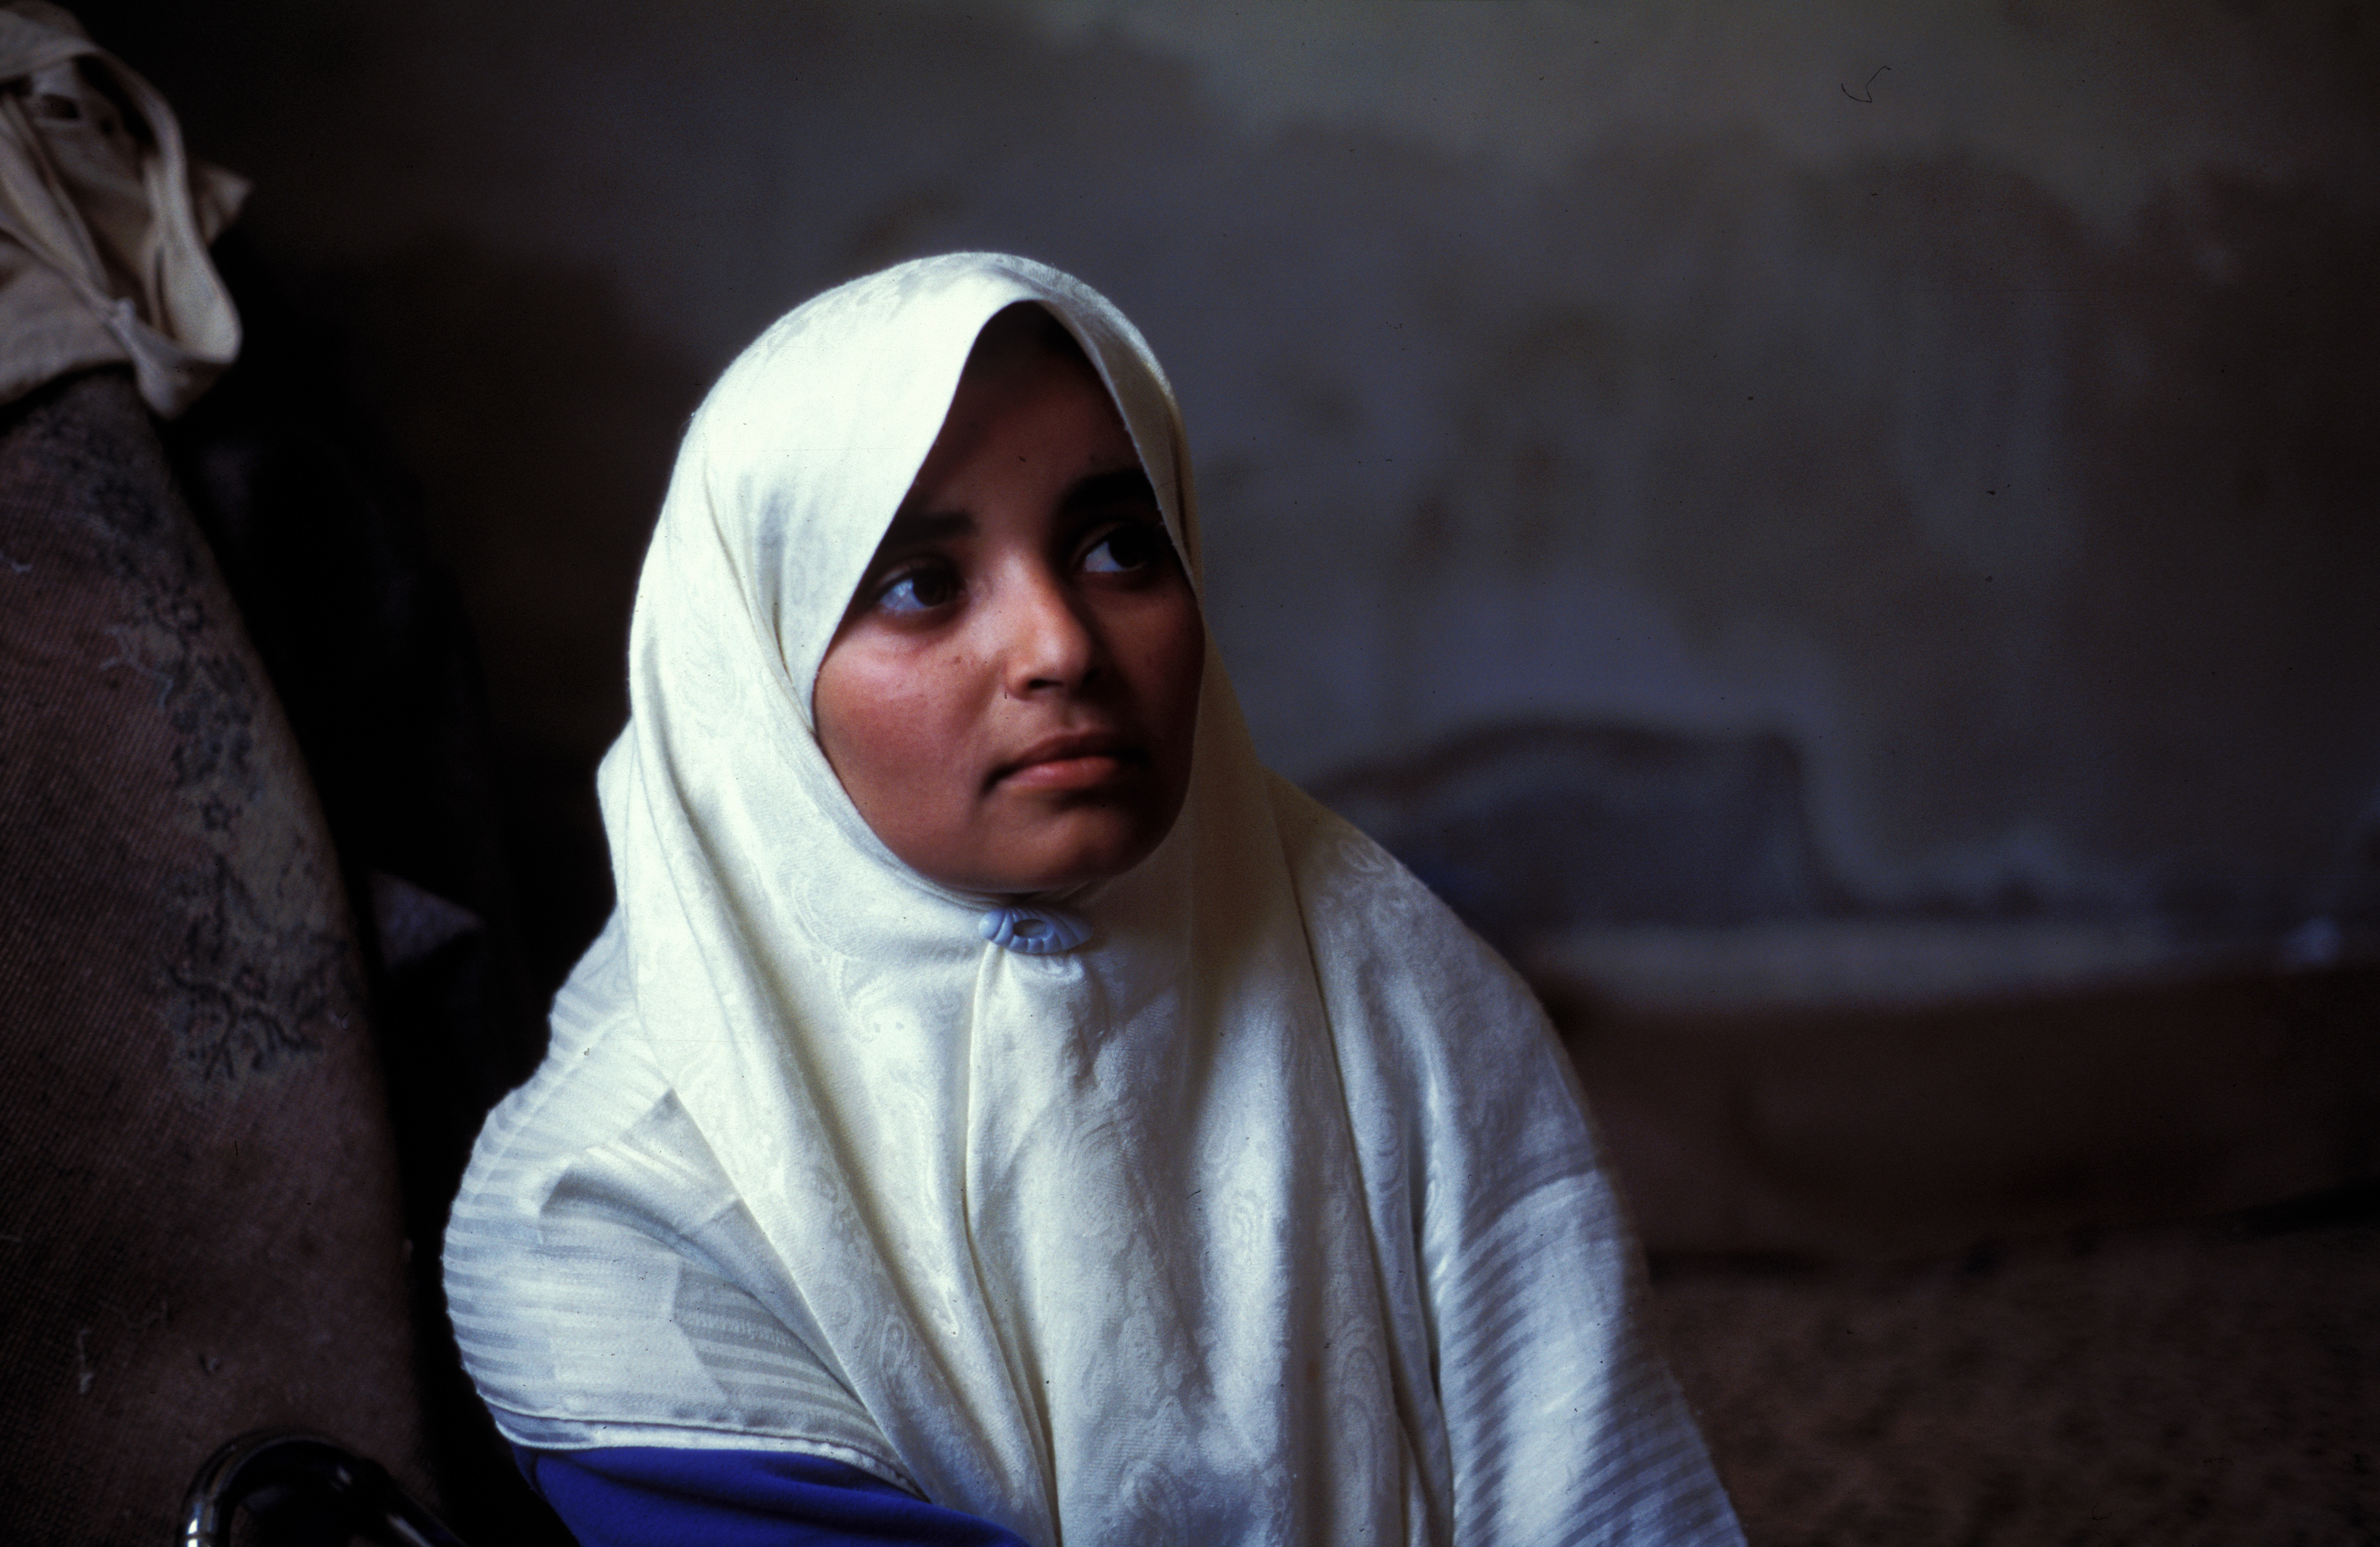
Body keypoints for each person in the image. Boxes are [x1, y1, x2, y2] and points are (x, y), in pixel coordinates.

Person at [443, 252, 1743, 1546]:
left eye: (1122, 547)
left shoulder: (1392, 979)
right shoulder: (613, 1200)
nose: (1060, 646)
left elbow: (1593, 1495)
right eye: (919, 583)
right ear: (758, 671)